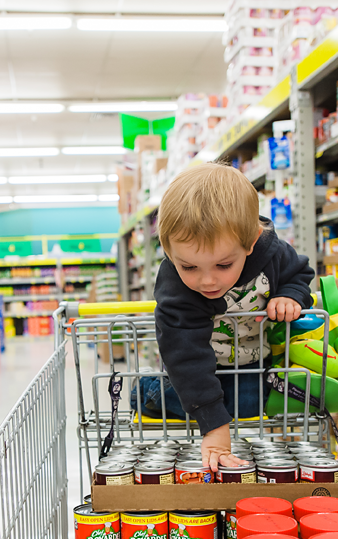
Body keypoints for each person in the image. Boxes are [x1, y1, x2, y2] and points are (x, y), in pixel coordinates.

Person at [131, 163, 314, 472]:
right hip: (196, 370)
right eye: (189, 267)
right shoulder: (176, 284)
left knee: (250, 404)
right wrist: (214, 430)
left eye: (224, 265)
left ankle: (216, 406)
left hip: (253, 367)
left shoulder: (273, 253)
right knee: (185, 400)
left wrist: (289, 295)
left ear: (252, 241)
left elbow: (300, 274)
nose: (208, 281)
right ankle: (148, 389)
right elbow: (184, 352)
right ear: (168, 250)